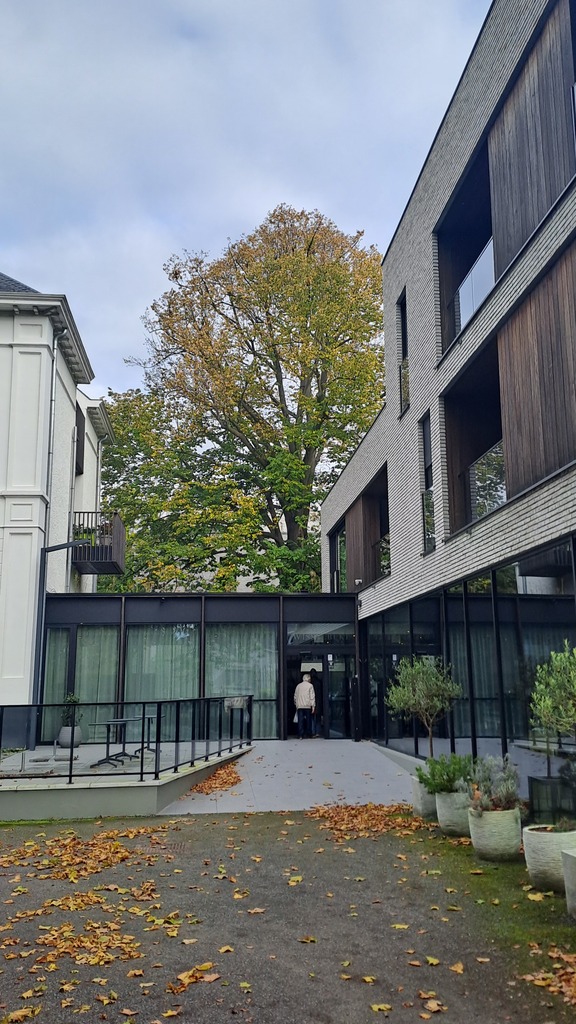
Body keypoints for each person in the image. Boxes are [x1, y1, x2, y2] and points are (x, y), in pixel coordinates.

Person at [293, 672, 315, 739]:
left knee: (300, 721)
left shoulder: (298, 686)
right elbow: (312, 696)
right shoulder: (310, 686)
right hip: (307, 705)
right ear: (308, 679)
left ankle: (300, 735)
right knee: (308, 720)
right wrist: (313, 706)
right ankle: (309, 734)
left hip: (299, 705)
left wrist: (296, 704)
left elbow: (295, 696)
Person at [309, 667, 322, 737]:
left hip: (311, 702)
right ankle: (317, 732)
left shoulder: (310, 683)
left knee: (311, 718)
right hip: (318, 701)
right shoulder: (319, 682)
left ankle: (312, 732)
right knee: (318, 718)